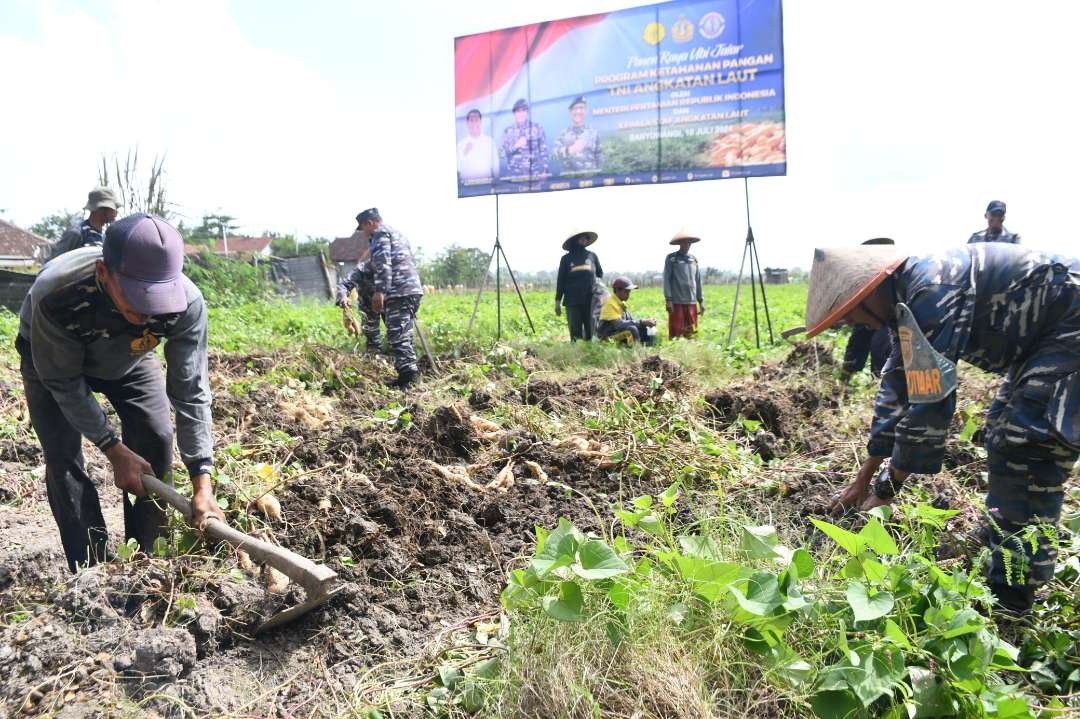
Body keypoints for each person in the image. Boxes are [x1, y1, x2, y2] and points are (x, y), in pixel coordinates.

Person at [806, 242, 1079, 613]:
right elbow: (897, 391)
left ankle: (1014, 593)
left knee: (1026, 444)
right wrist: (861, 481)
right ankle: (1003, 535)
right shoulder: (904, 305)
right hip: (1044, 340)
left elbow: (930, 405)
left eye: (855, 317)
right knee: (1000, 429)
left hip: (1070, 329)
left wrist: (886, 490)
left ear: (870, 292)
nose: (859, 327)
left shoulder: (933, 293)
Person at [18, 213, 224, 573]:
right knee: (63, 457)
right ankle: (91, 570)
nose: (146, 315)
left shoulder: (186, 304)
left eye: (156, 303)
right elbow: (65, 384)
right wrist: (112, 449)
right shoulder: (57, 294)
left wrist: (202, 482)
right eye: (137, 301)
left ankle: (147, 565)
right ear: (103, 273)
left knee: (157, 436)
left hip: (129, 356)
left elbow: (191, 392)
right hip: (51, 358)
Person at [356, 208, 423, 388]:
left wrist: (380, 291)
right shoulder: (397, 233)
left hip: (399, 290)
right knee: (403, 333)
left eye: (363, 229)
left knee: (398, 335)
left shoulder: (380, 234)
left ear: (369, 223)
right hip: (412, 289)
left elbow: (383, 263)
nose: (364, 234)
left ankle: (408, 380)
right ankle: (407, 375)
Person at [840, 239, 895, 381]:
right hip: (867, 312)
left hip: (884, 316)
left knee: (881, 347)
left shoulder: (891, 276)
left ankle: (881, 381)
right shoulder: (861, 276)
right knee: (856, 343)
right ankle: (844, 381)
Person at [45, 186, 120, 261]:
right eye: (114, 209)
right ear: (101, 209)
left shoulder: (104, 236)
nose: (116, 213)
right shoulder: (76, 233)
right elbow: (53, 263)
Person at [555, 230, 603, 341]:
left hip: (590, 299)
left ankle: (590, 354)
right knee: (575, 332)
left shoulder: (592, 256)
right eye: (581, 238)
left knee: (591, 330)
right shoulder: (566, 259)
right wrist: (557, 301)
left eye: (586, 238)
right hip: (572, 300)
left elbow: (600, 273)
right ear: (574, 240)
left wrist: (599, 291)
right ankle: (576, 354)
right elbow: (560, 280)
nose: (584, 240)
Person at [663, 231, 705, 340]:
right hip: (676, 301)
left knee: (691, 331)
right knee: (676, 331)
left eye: (689, 243)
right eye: (684, 243)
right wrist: (668, 300)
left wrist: (701, 301)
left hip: (691, 300)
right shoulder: (672, 259)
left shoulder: (693, 260)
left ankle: (690, 351)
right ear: (680, 243)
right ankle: (675, 351)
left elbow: (698, 280)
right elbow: (667, 279)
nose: (687, 245)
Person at [336, 259, 383, 352]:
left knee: (396, 336)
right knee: (372, 340)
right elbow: (344, 284)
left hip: (389, 305)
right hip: (368, 306)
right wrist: (343, 296)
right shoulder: (361, 269)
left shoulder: (392, 267)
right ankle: (375, 357)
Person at [597, 276, 657, 346]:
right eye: (626, 292)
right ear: (617, 290)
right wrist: (641, 321)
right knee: (631, 329)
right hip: (607, 338)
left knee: (643, 326)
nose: (628, 295)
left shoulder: (620, 303)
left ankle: (647, 344)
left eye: (629, 292)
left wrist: (646, 322)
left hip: (617, 332)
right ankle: (635, 350)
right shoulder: (610, 304)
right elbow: (619, 325)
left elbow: (630, 320)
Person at [500, 98, 548, 179]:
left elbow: (544, 152)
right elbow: (501, 154)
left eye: (523, 110)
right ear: (514, 113)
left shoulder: (537, 128)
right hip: (514, 179)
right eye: (518, 111)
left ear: (527, 112)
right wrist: (515, 146)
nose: (521, 114)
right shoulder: (508, 131)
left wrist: (545, 170)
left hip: (534, 177)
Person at [552, 96, 602, 173]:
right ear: (570, 112)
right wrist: (570, 150)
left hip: (592, 180)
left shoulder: (594, 133)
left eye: (581, 108)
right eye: (575, 108)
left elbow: (600, 159)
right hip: (569, 181)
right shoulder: (563, 134)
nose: (578, 111)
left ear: (586, 111)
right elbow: (553, 156)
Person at [457, 108, 498, 182]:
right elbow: (458, 168)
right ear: (467, 123)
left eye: (476, 120)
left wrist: (496, 183)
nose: (474, 123)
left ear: (480, 122)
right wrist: (465, 152)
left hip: (486, 184)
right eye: (471, 120)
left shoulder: (489, 141)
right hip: (467, 187)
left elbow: (495, 166)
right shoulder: (461, 144)